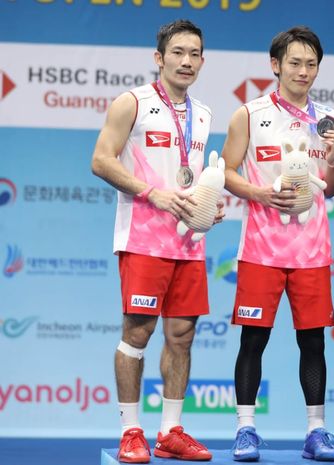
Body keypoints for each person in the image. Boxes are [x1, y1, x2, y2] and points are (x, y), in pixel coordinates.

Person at [91, 19, 219, 464]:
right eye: (178, 52)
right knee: (138, 333)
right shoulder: (133, 103)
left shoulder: (202, 114)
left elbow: (195, 174)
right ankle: (130, 431)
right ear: (159, 57)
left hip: (188, 243)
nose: (187, 61)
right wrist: (153, 193)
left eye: (195, 54)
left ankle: (170, 431)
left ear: (202, 61)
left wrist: (209, 205)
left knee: (182, 336)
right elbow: (101, 161)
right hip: (144, 239)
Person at [220, 26, 334, 462]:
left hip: (311, 251)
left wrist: (333, 160)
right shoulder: (249, 115)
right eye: (295, 62)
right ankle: (246, 429)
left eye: (311, 64)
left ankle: (316, 431)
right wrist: (259, 193)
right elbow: (227, 171)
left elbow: (331, 187)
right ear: (275, 65)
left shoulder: (328, 119)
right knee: (253, 341)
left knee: (313, 343)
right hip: (261, 251)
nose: (303, 71)